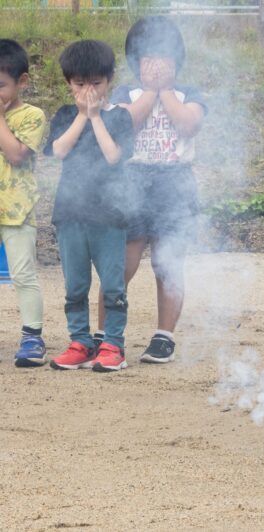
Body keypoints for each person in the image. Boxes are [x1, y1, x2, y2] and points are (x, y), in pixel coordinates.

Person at [97, 16, 206, 363]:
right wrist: (150, 91)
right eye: (147, 58)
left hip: (175, 184)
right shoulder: (123, 94)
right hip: (133, 182)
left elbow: (189, 125)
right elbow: (127, 123)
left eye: (165, 57)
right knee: (122, 265)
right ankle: (105, 334)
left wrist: (165, 92)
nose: (156, 65)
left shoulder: (189, 94)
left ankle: (164, 336)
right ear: (134, 62)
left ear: (178, 60)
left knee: (168, 264)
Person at [44, 40, 135, 372]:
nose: (88, 90)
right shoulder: (66, 115)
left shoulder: (121, 117)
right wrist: (83, 115)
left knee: (113, 285)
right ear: (69, 84)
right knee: (75, 285)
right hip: (70, 213)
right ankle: (80, 341)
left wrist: (96, 116)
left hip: (110, 215)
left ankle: (113, 344)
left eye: (96, 83)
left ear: (110, 79)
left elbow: (113, 156)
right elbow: (59, 151)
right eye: (80, 84)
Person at [0, 39, 47, 367]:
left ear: (23, 82)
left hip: (17, 211)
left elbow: (16, 154)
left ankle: (33, 337)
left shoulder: (33, 116)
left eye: (0, 85)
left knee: (23, 274)